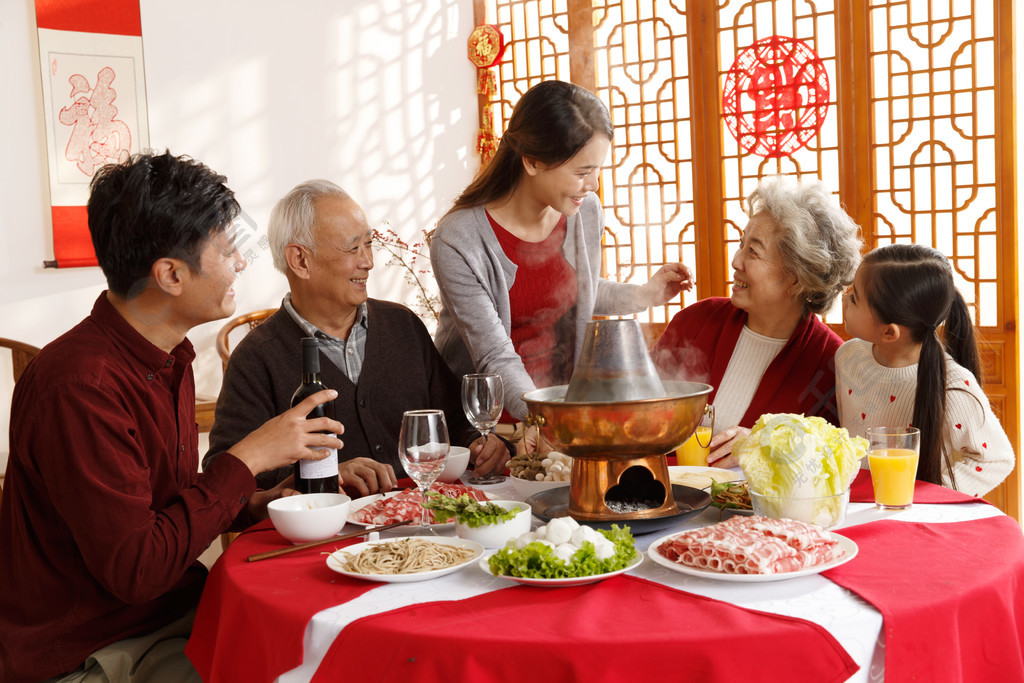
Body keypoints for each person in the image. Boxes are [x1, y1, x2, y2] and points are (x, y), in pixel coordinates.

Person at [0, 152, 345, 682]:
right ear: (170, 275)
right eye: (229, 252)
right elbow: (138, 570)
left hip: (170, 615)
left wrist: (253, 504)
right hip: (98, 649)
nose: (241, 264)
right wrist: (247, 458)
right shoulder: (79, 386)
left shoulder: (168, 356)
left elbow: (162, 507)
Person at [204, 180, 511, 487]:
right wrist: (325, 475)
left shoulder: (402, 325)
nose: (369, 262)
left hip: (423, 523)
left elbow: (455, 423)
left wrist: (481, 445)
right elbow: (228, 478)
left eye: (369, 244)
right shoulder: (256, 358)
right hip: (325, 533)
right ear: (300, 260)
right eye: (353, 248)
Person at [430, 79, 692, 422]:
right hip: (485, 424)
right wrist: (547, 423)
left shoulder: (585, 212)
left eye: (597, 170)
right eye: (582, 171)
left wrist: (644, 294)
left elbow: (578, 293)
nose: (594, 184)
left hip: (561, 409)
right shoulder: (459, 239)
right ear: (533, 162)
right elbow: (494, 355)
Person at [651, 175, 863, 467]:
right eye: (742, 244)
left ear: (797, 277)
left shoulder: (830, 363)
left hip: (766, 513)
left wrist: (766, 444)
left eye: (753, 251)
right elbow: (633, 413)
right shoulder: (695, 322)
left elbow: (836, 462)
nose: (736, 261)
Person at [836, 243, 1013, 496]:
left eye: (854, 298)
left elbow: (996, 460)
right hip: (854, 507)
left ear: (889, 332)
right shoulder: (848, 356)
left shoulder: (953, 386)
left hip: (914, 517)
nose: (844, 299)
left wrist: (925, 494)